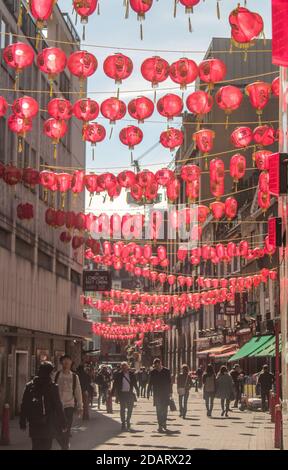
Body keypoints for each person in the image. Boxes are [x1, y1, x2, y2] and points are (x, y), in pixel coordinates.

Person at [19, 362, 66, 450]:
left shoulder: (30, 386)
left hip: (34, 422)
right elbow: (58, 406)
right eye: (52, 372)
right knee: (47, 446)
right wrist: (63, 422)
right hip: (48, 423)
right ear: (49, 373)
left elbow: (24, 404)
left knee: (36, 446)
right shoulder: (52, 387)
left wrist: (22, 421)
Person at [54, 354, 83, 450]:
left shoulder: (75, 377)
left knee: (67, 428)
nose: (66, 364)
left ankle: (65, 447)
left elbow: (78, 392)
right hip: (57, 406)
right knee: (57, 429)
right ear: (61, 363)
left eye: (68, 362)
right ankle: (65, 445)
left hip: (69, 405)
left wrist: (80, 406)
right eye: (64, 362)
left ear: (71, 363)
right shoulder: (56, 375)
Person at [112, 362, 139, 431]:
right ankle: (123, 422)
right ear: (121, 368)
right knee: (122, 409)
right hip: (122, 394)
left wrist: (137, 390)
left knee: (130, 408)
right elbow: (115, 384)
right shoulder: (119, 375)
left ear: (127, 367)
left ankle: (128, 420)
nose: (124, 368)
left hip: (129, 394)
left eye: (125, 367)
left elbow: (135, 383)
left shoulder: (131, 374)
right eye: (123, 367)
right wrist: (112, 392)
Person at [147, 358, 172, 433]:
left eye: (158, 365)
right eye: (155, 366)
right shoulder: (153, 372)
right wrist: (148, 392)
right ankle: (160, 425)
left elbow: (170, 382)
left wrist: (170, 392)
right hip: (157, 394)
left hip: (165, 393)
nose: (157, 367)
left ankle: (164, 422)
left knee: (164, 410)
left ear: (160, 364)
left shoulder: (166, 371)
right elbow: (150, 382)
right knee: (158, 410)